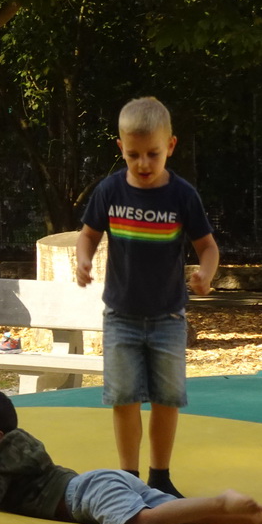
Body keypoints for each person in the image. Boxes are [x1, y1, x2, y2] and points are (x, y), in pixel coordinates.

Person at [0, 389, 262, 524]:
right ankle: (258, 517)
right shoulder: (17, 452)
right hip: (104, 481)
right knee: (179, 518)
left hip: (87, 495)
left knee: (143, 522)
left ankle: (224, 503)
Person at [76, 97, 219, 498]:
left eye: (153, 154)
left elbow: (207, 246)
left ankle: (159, 476)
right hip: (120, 315)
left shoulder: (182, 196)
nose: (142, 163)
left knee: (165, 399)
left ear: (170, 146)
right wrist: (83, 260)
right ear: (120, 147)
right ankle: (128, 478)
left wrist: (206, 272)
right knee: (124, 399)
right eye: (133, 154)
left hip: (167, 318)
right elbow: (88, 234)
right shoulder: (110, 190)